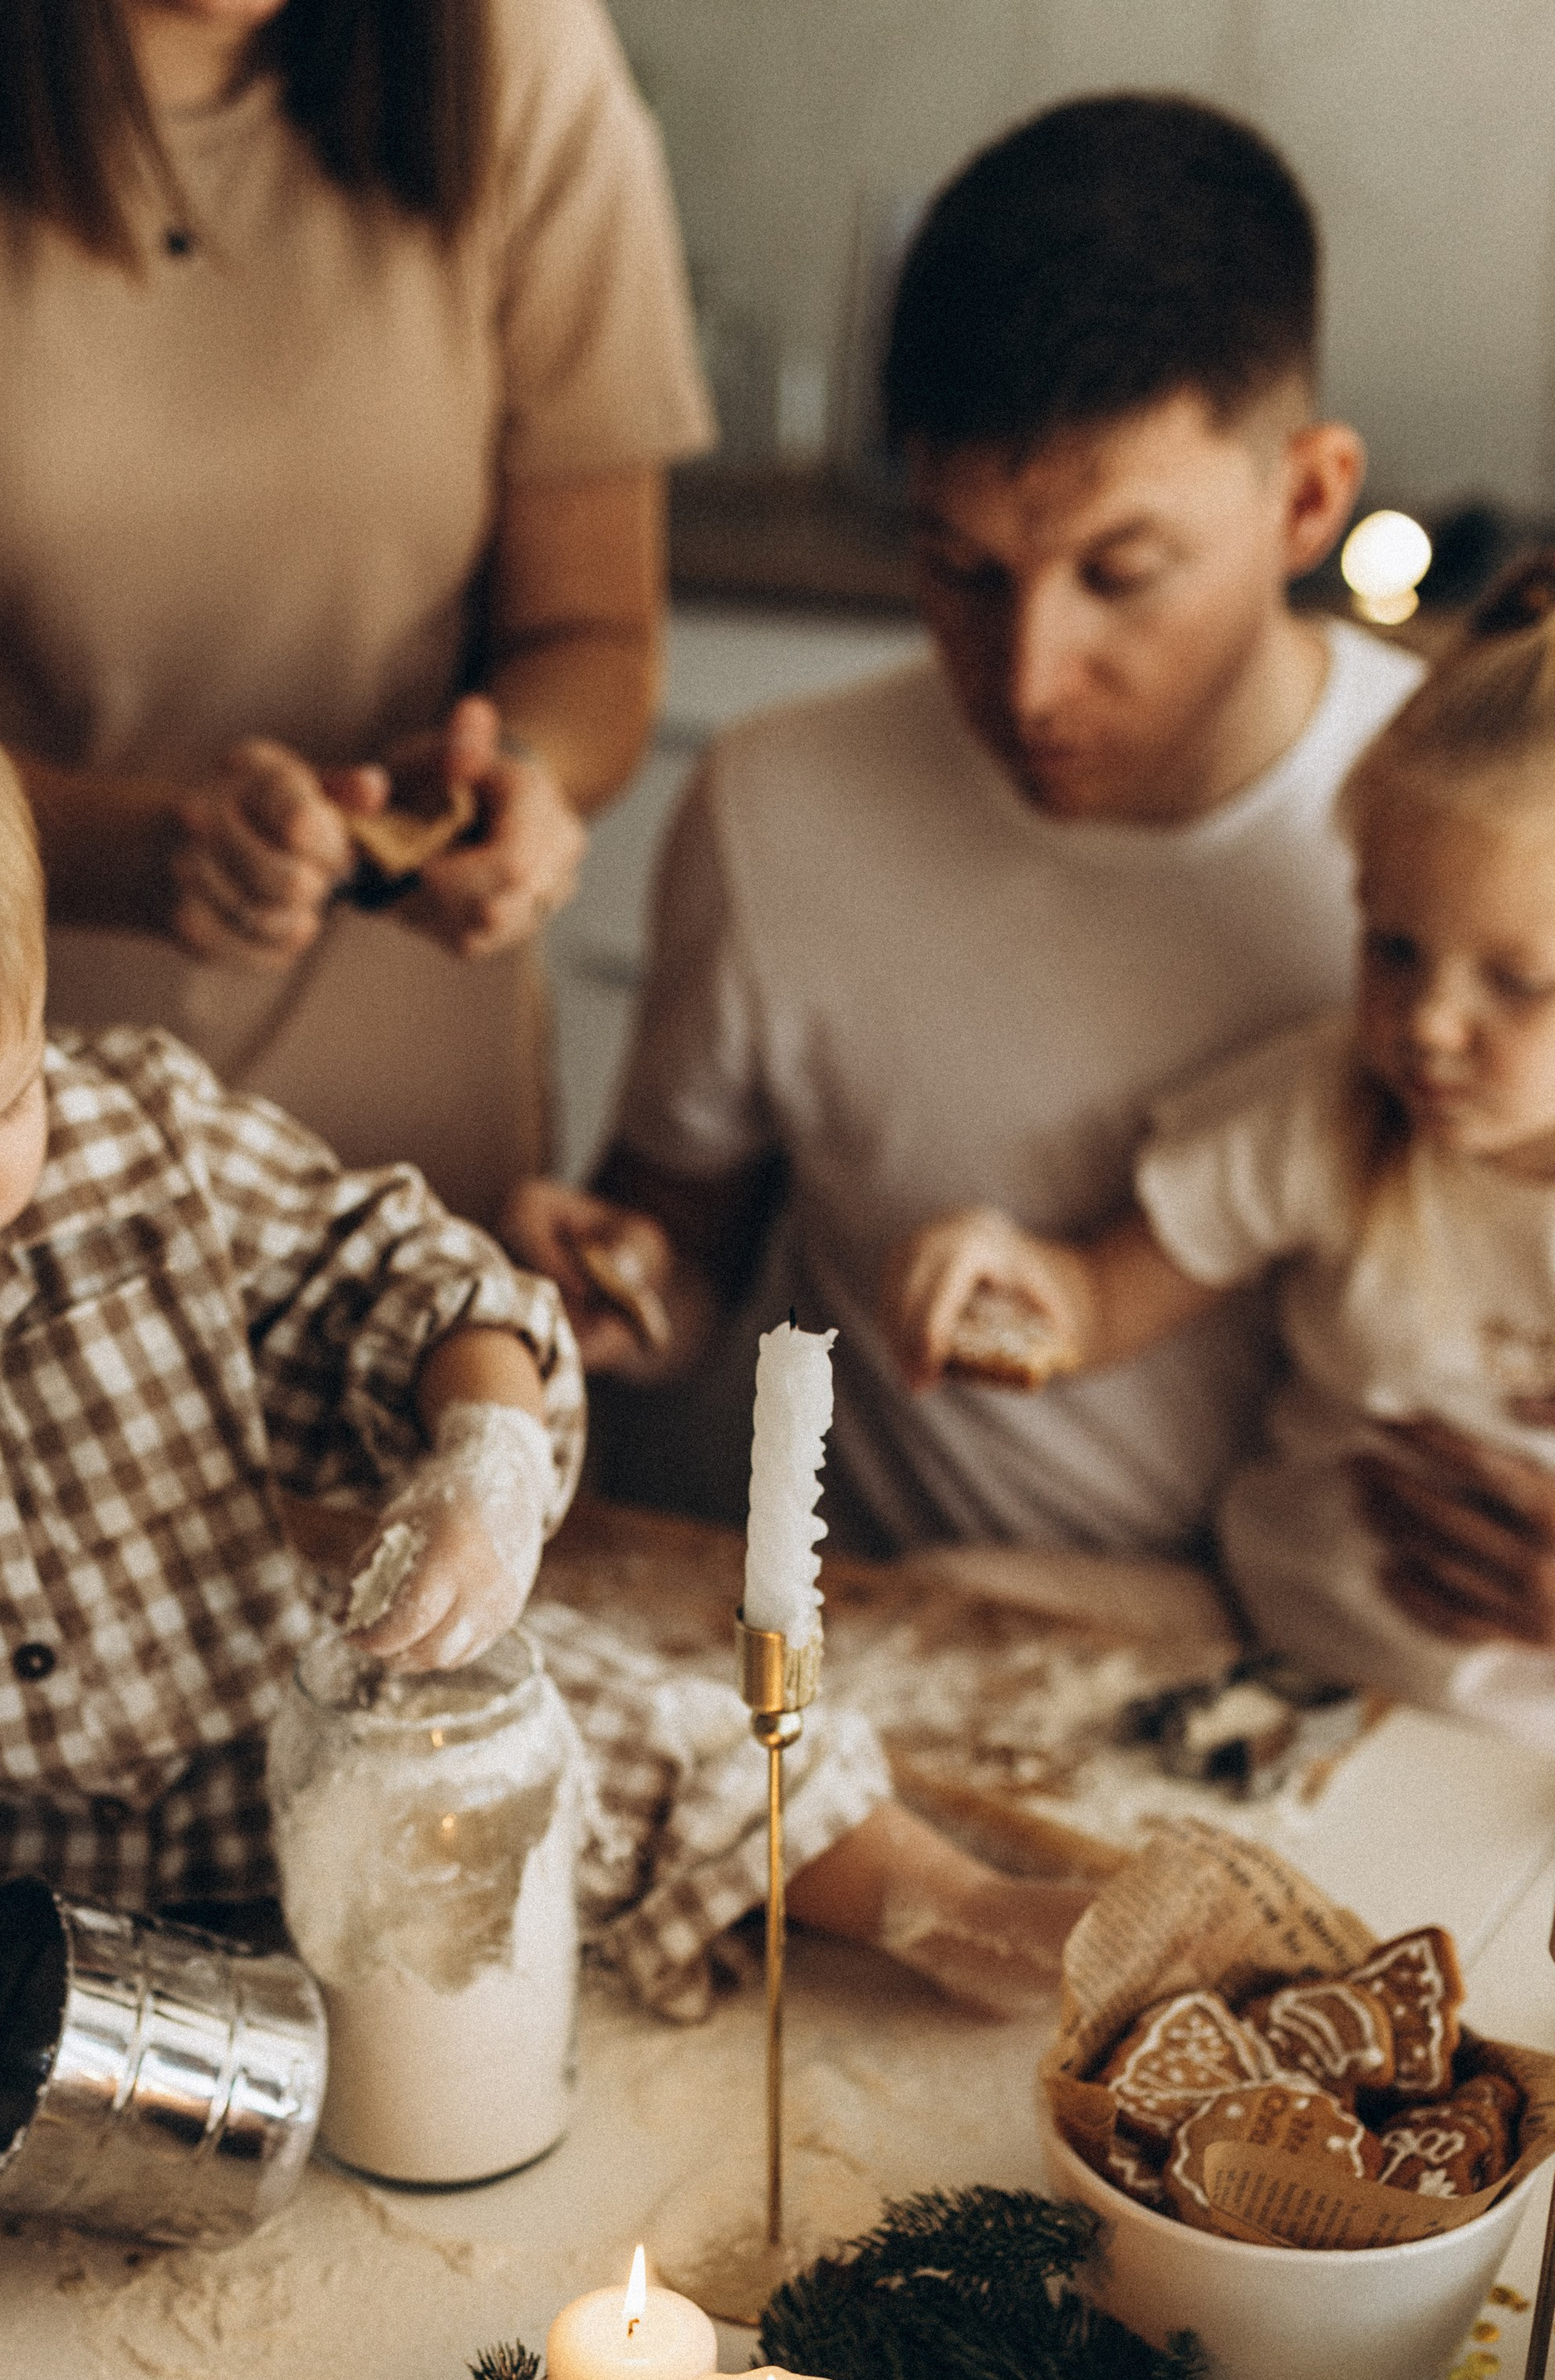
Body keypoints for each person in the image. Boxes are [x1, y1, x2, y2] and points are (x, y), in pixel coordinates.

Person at [0, 561, 1092, 2380]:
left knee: (603, 1711)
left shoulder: (147, 1140)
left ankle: (934, 1898)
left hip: (279, 1775)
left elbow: (412, 1285)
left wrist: (479, 1438)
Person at [0, 0, 715, 1224]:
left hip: (416, 1155)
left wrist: (514, 776)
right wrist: (149, 857)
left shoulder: (521, 46)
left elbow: (590, 638)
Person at [504, 92, 1416, 1557]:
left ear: (1308, 501)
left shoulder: (1480, 840)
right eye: (962, 573)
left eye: (1122, 575)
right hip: (919, 1651)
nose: (1029, 678)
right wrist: (613, 1286)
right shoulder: (777, 805)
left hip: (1368, 1699)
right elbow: (678, 1259)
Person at [885, 556, 1555, 1750]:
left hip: (1516, 1768)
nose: (1429, 1025)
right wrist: (1001, 1276)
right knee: (918, 1607)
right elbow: (1094, 1300)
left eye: (1517, 983)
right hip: (1261, 1651)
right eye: (1394, 948)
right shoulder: (1333, 1100)